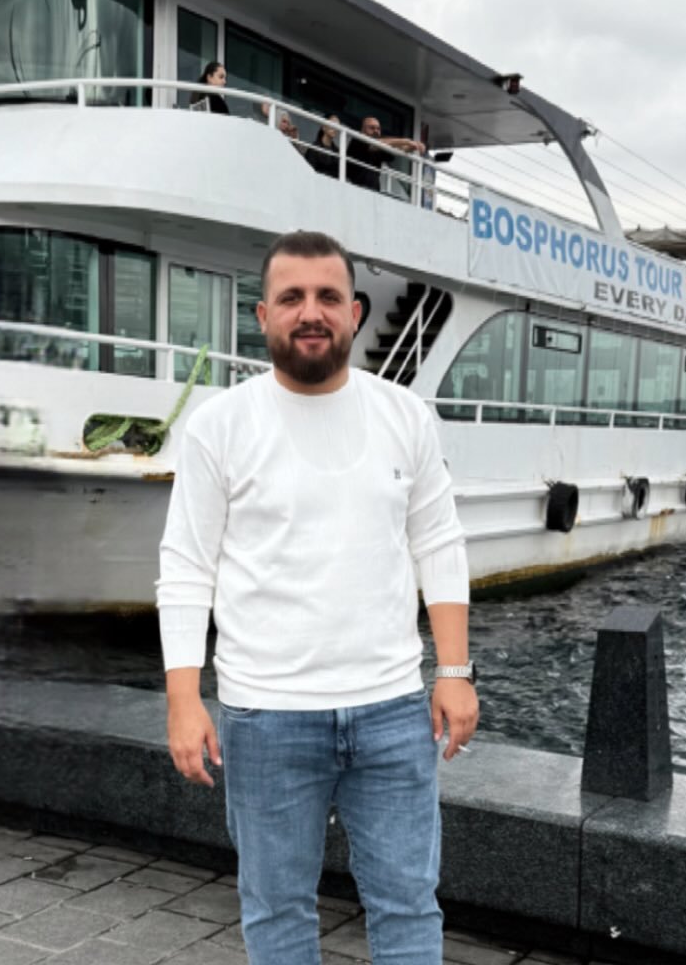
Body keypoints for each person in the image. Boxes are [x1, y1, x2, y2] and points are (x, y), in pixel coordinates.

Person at [158, 230, 478, 964]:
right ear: (263, 314)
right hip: (265, 716)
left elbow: (439, 543)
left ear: (355, 313)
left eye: (329, 297)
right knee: (276, 912)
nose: (311, 312)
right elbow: (186, 568)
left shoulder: (405, 416)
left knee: (408, 906)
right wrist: (182, 698)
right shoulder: (218, 427)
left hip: (392, 710)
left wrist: (455, 672)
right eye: (292, 298)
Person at [346, 116, 426, 191]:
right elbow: (376, 144)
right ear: (362, 130)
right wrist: (406, 141)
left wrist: (415, 146)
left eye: (378, 129)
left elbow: (399, 150)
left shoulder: (380, 147)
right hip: (352, 187)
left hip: (373, 191)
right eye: (372, 128)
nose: (376, 131)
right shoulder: (358, 140)